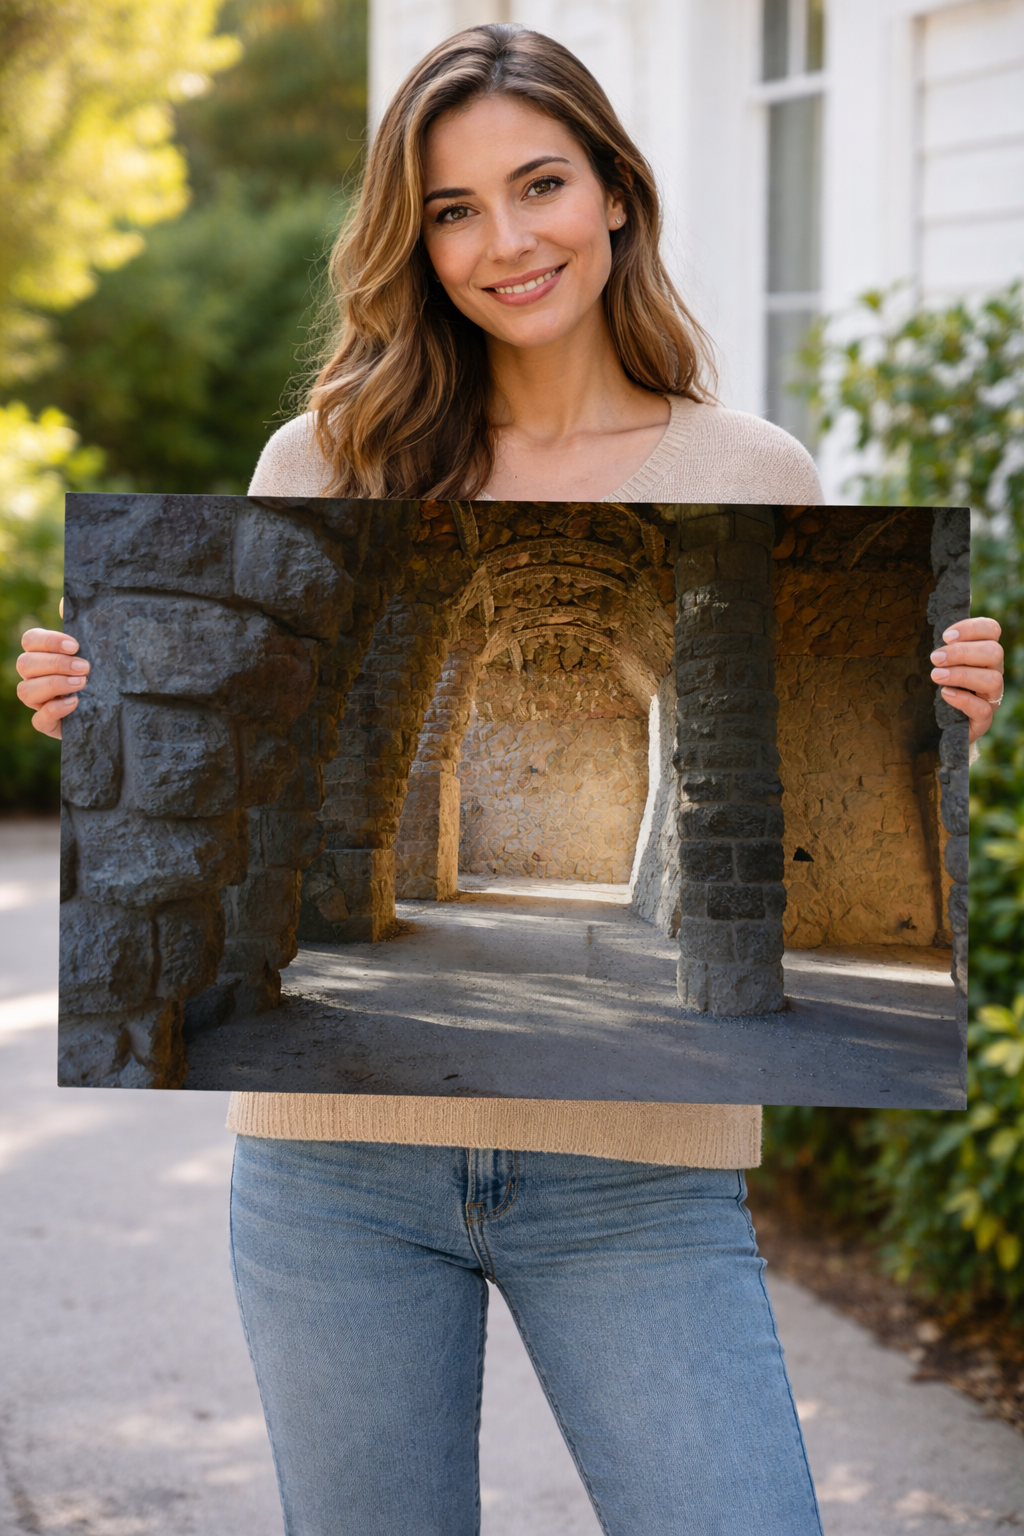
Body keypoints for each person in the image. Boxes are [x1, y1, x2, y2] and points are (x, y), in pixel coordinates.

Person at [16, 24, 1004, 1536]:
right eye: (453, 210)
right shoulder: (325, 459)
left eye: (539, 184)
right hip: (330, 1186)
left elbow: (857, 733)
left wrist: (950, 714)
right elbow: (224, 739)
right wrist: (96, 707)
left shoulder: (755, 475)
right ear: (411, 244)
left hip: (638, 1184)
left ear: (616, 189)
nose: (504, 241)